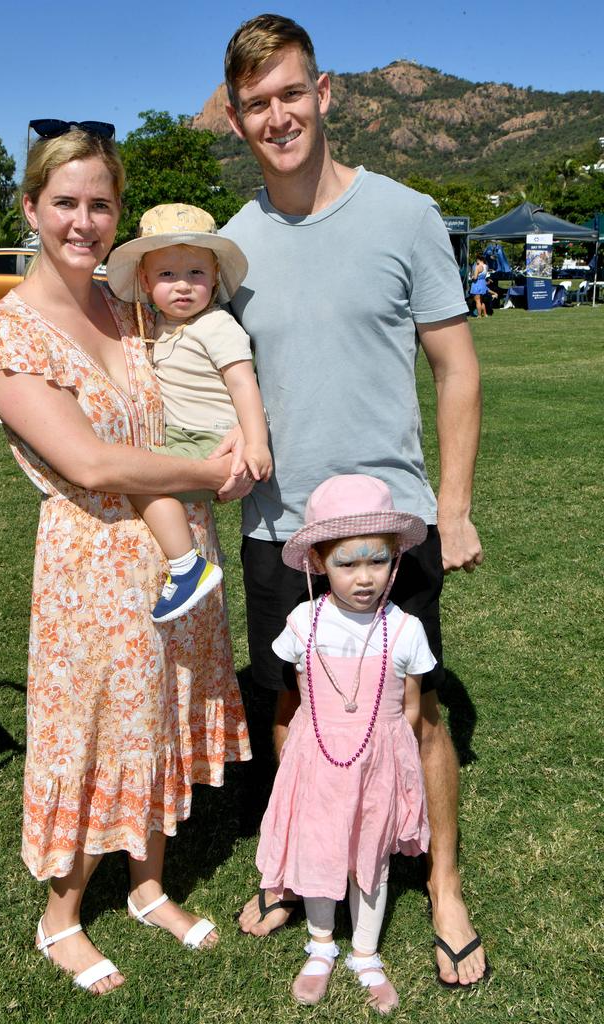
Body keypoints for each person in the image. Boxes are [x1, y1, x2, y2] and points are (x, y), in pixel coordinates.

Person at [218, 14, 489, 988]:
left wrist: (451, 508)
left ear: (324, 93)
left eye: (291, 93)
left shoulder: (406, 215)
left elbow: (457, 369)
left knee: (413, 710)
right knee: (289, 708)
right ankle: (296, 862)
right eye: (257, 103)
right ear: (239, 119)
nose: (278, 115)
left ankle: (445, 885)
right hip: (277, 525)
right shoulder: (230, 248)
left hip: (388, 525)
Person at [0, 123, 252, 996]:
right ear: (31, 208)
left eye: (100, 204)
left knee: (160, 717)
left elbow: (194, 385)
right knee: (90, 733)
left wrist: (235, 442)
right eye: (65, 203)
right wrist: (204, 470)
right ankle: (62, 915)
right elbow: (89, 462)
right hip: (92, 567)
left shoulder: (132, 308)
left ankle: (150, 886)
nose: (83, 221)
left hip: (178, 551)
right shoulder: (7, 333)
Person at [257, 475, 433, 1009]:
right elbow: (295, 693)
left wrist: (402, 772)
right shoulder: (302, 622)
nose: (363, 578)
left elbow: (414, 710)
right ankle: (320, 945)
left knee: (370, 855)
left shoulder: (406, 630)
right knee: (319, 847)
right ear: (318, 562)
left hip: (377, 762)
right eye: (346, 563)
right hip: (318, 759)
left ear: (394, 559)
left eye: (376, 562)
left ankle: (365, 953)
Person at [105, 203, 272, 622]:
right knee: (138, 471)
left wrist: (256, 443)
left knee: (137, 477)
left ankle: (186, 566)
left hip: (206, 438)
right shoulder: (158, 326)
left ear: (215, 278)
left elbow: (243, 383)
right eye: (167, 275)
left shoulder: (217, 326)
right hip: (182, 435)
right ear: (145, 281)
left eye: (195, 273)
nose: (182, 286)